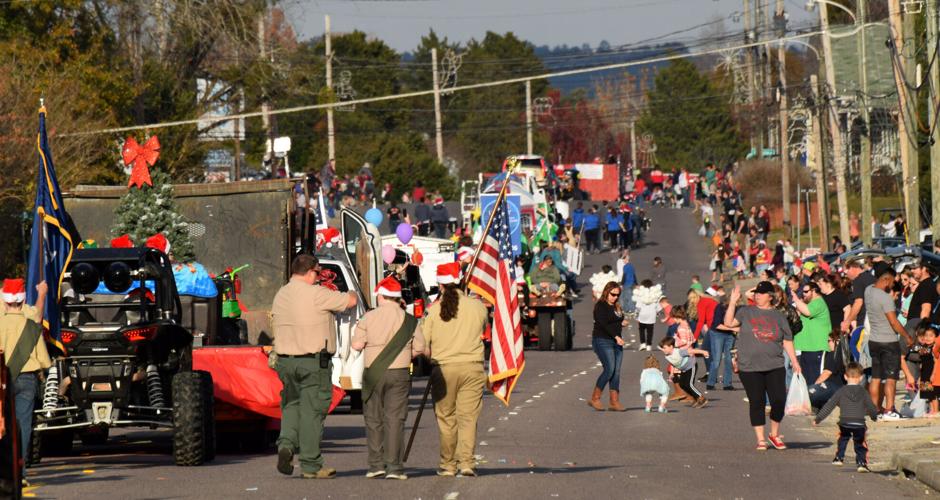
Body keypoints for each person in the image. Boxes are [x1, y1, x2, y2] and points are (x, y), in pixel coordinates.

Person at [273, 255, 358, 479]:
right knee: (313, 412)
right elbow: (350, 301)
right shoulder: (317, 294)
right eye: (318, 273)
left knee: (291, 405)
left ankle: (286, 445)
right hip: (312, 362)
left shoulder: (281, 294)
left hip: (285, 361)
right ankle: (311, 464)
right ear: (311, 272)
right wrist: (351, 291)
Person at [351, 276, 426, 480]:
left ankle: (376, 465)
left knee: (374, 419)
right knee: (395, 419)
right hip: (400, 372)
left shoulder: (368, 317)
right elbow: (420, 347)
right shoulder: (410, 320)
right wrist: (403, 355)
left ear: (381, 296)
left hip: (373, 373)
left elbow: (356, 345)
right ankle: (394, 467)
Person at [423, 262, 488, 477]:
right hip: (472, 368)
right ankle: (467, 462)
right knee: (468, 418)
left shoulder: (433, 311)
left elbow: (425, 344)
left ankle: (448, 464)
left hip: (444, 368)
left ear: (440, 285)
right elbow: (484, 329)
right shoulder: (477, 306)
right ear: (461, 281)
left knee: (446, 418)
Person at [723, 282, 801, 451]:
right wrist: (732, 302)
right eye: (756, 293)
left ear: (770, 296)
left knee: (779, 400)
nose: (758, 295)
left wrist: (794, 361)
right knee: (757, 401)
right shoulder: (745, 311)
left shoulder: (779, 316)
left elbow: (787, 339)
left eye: (762, 293)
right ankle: (760, 439)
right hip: (749, 366)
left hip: (774, 364)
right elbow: (728, 323)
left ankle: (774, 434)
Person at [0, 278, 50, 484]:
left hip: (2, 379)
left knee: (2, 424)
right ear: (22, 300)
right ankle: (19, 474)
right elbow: (44, 361)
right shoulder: (31, 323)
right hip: (27, 379)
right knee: (23, 426)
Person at [864, 263, 914, 420]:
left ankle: (874, 410)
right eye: (893, 281)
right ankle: (889, 410)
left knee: (876, 377)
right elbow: (894, 322)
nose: (894, 284)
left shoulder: (868, 291)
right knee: (891, 378)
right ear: (886, 279)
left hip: (873, 340)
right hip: (889, 341)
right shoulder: (885, 298)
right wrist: (907, 336)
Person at [813, 362, 879, 473]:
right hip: (859, 423)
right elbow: (871, 407)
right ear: (861, 377)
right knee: (860, 443)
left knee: (842, 439)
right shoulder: (863, 392)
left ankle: (839, 457)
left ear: (845, 376)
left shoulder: (841, 391)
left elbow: (829, 405)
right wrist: (874, 417)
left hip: (844, 422)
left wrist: (818, 418)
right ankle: (861, 463)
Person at [589, 282, 628, 411]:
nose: (615, 297)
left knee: (616, 372)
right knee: (609, 369)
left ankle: (614, 401)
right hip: (602, 340)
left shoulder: (616, 306)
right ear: (607, 292)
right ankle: (595, 398)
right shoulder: (600, 306)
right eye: (613, 294)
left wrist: (622, 323)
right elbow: (603, 324)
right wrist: (616, 337)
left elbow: (615, 321)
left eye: (617, 295)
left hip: (616, 342)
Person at [791, 282, 832, 384]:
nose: (803, 294)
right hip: (806, 349)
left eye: (806, 291)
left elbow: (808, 312)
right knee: (806, 383)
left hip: (816, 349)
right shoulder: (809, 303)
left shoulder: (818, 302)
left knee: (814, 383)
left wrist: (796, 300)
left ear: (813, 291)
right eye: (802, 292)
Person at [658, 336, 709, 408]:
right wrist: (672, 373)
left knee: (689, 384)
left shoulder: (678, 352)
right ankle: (695, 398)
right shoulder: (667, 356)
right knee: (682, 384)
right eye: (662, 348)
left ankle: (701, 398)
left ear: (671, 347)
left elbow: (691, 351)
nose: (663, 350)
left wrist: (703, 352)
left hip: (691, 366)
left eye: (664, 348)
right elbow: (673, 364)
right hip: (683, 369)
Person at [807, 331, 847, 409]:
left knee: (808, 392)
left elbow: (827, 373)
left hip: (832, 386)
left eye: (829, 341)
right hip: (840, 387)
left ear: (837, 341)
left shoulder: (833, 354)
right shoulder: (845, 354)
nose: (828, 343)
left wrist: (815, 385)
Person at [634, 280, 663, 351]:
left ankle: (643, 343)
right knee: (650, 331)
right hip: (651, 316)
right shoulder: (654, 295)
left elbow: (638, 307)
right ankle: (649, 345)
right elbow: (658, 307)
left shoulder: (641, 295)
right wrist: (658, 313)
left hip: (642, 315)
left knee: (641, 330)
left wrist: (636, 314)